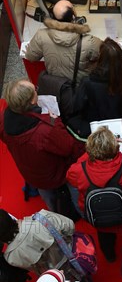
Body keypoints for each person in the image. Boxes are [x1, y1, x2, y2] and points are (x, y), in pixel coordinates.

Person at [67, 126, 122, 262]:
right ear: (116, 147)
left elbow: (72, 175)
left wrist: (92, 152)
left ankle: (110, 256)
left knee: (105, 237)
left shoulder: (78, 170)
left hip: (99, 218)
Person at [0, 79, 84, 211]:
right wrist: (55, 121)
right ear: (32, 101)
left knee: (49, 198)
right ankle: (80, 211)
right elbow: (68, 147)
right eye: (35, 90)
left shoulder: (4, 118)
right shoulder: (45, 130)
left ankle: (53, 211)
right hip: (56, 173)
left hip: (30, 172)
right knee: (74, 193)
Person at [67, 37, 122, 140]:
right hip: (121, 120)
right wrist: (114, 51)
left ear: (100, 58)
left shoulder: (88, 82)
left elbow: (77, 105)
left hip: (96, 123)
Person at [25, 0, 102, 84]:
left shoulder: (41, 36)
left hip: (57, 86)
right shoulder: (89, 42)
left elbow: (31, 57)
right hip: (79, 88)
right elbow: (106, 54)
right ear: (73, 16)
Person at [0, 208, 75, 276]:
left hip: (55, 276)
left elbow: (32, 268)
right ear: (10, 217)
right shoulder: (41, 218)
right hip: (76, 254)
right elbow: (70, 226)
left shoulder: (10, 257)